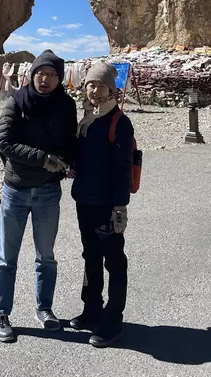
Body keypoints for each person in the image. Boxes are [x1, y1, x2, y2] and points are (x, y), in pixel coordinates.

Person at [0, 50, 77, 343]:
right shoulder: (16, 101)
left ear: (59, 78)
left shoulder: (66, 106)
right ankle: (1, 313)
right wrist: (42, 158)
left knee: (46, 257)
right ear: (32, 74)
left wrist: (70, 163)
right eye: (41, 73)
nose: (45, 79)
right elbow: (5, 142)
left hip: (48, 192)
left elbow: (70, 143)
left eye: (52, 74)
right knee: (6, 258)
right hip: (16, 190)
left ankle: (45, 309)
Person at [69, 61, 134, 348]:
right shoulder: (87, 118)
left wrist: (120, 207)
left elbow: (123, 169)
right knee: (90, 256)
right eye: (90, 84)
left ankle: (113, 320)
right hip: (85, 200)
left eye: (101, 85)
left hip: (107, 206)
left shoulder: (119, 122)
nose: (94, 90)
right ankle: (91, 309)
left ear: (111, 89)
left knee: (114, 261)